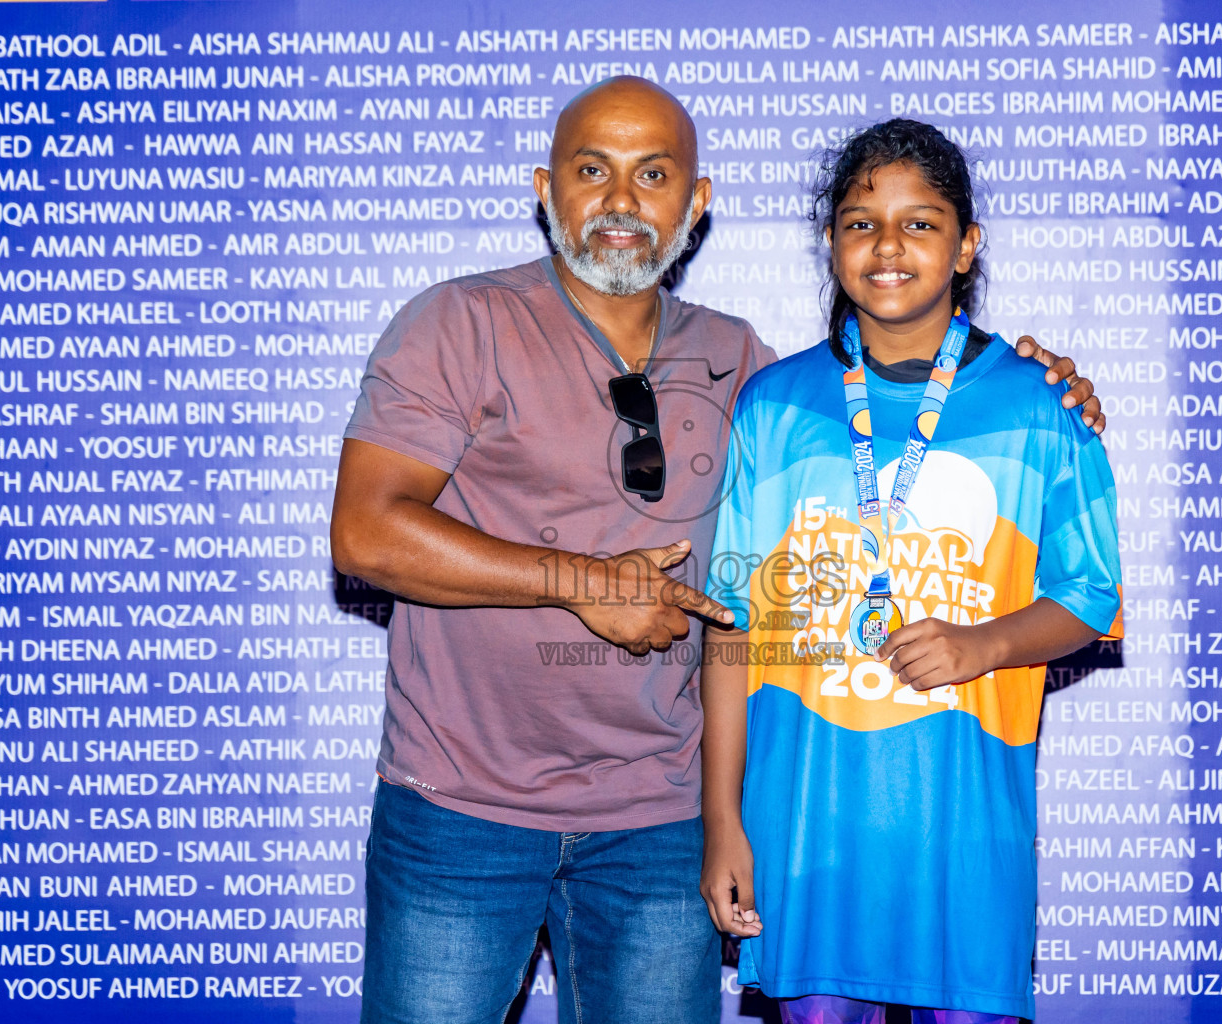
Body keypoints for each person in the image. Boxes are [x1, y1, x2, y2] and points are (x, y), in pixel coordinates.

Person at [330, 80, 1107, 1024]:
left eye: (653, 175)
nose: (621, 201)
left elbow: (869, 451)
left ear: (695, 206)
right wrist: (576, 584)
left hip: (661, 821)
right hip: (462, 810)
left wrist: (1048, 386)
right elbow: (365, 534)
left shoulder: (747, 367)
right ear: (547, 190)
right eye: (592, 171)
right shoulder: (459, 323)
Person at [698, 119, 1124, 1024]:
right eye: (860, 223)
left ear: (967, 244)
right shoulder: (773, 407)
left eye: (921, 223)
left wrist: (988, 642)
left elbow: (1092, 598)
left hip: (966, 839)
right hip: (806, 831)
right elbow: (730, 625)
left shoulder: (1040, 405)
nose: (888, 247)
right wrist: (722, 819)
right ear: (831, 243)